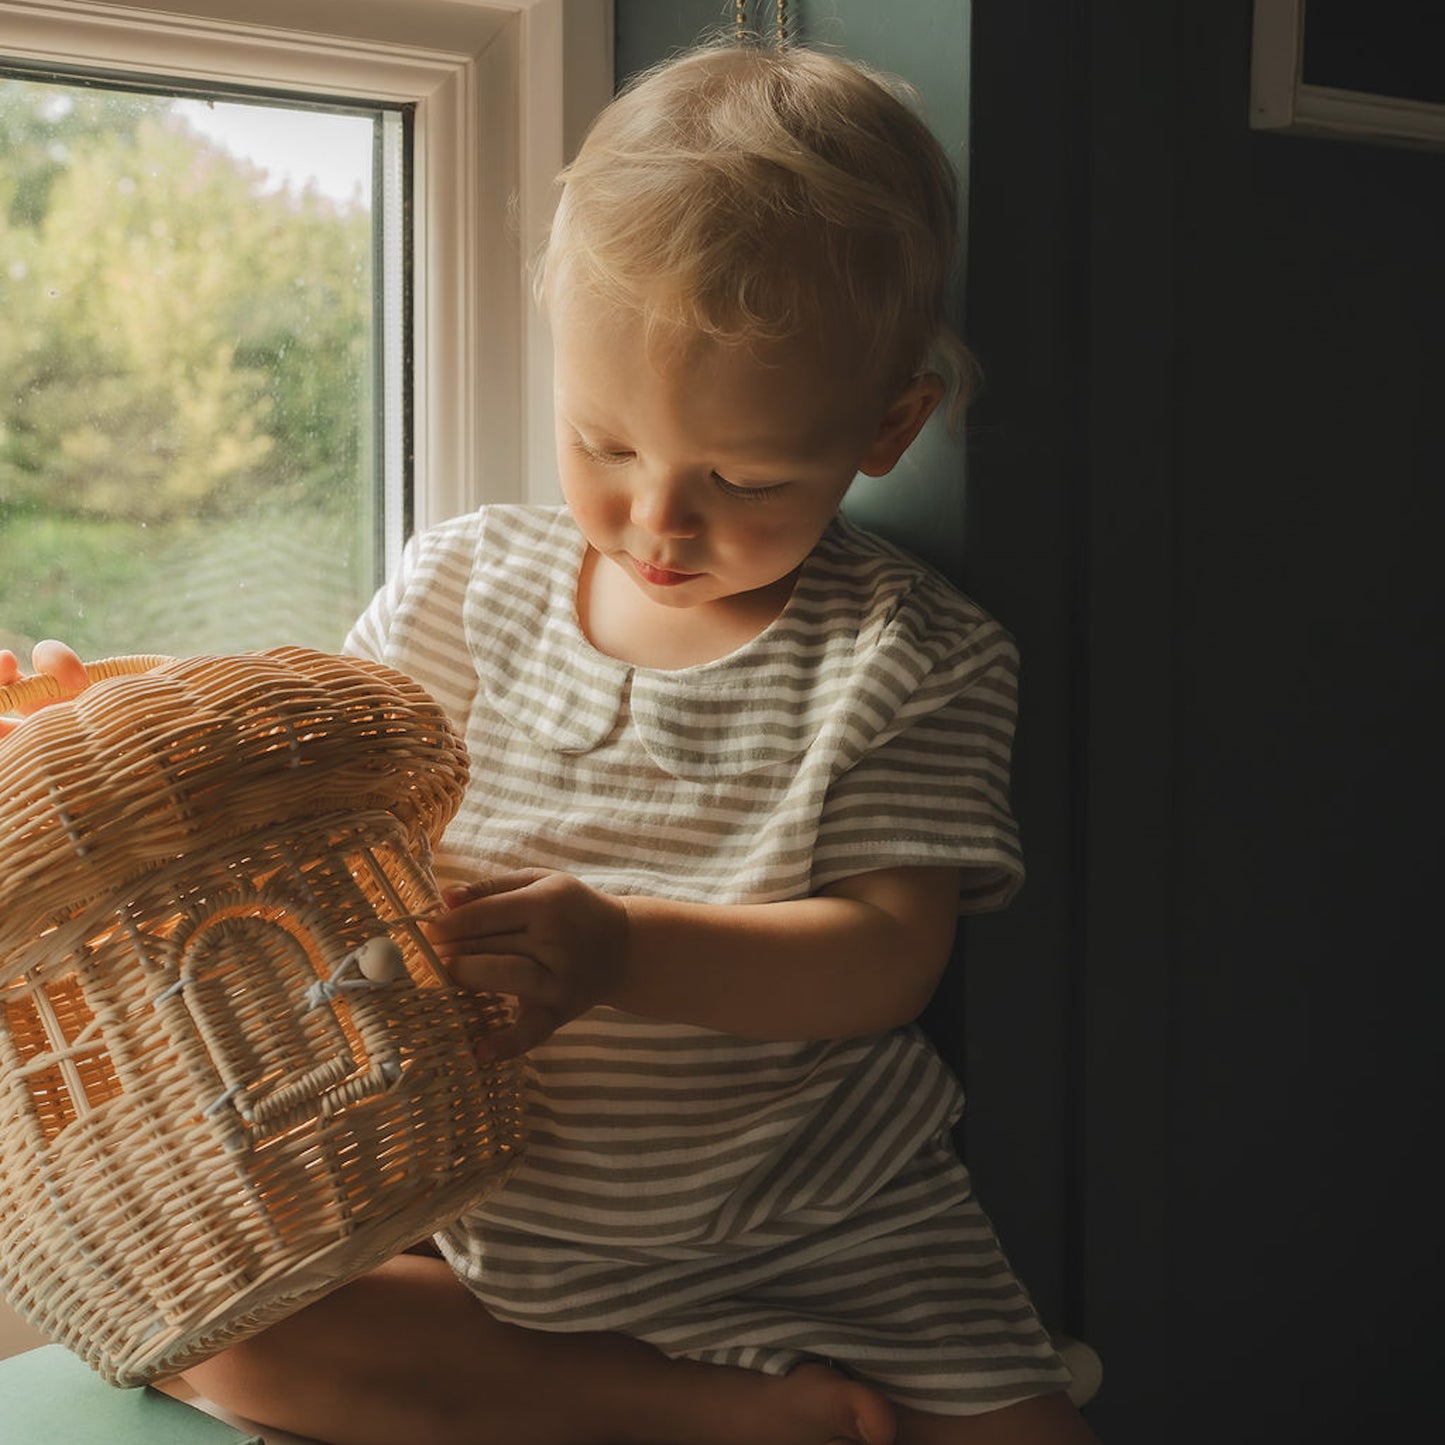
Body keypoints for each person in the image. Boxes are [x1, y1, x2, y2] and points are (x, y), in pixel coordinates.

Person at [0, 40, 1099, 1445]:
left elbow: (885, 957)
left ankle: (769, 1398)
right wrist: (86, 725)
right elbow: (288, 810)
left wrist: (623, 948)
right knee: (219, 1338)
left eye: (742, 478)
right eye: (602, 444)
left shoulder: (909, 655)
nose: (656, 521)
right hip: (475, 1223)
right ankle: (728, 1419)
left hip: (823, 1232)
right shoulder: (465, 585)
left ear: (887, 426)